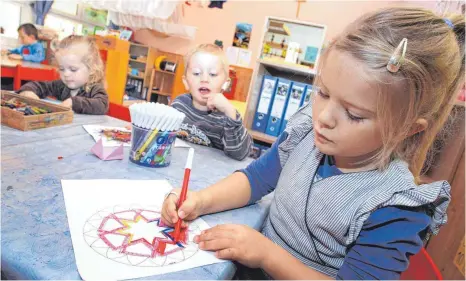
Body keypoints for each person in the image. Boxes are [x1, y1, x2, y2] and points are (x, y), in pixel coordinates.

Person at [161, 7, 464, 279]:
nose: (325, 117)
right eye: (323, 93)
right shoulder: (307, 133)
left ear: (408, 129)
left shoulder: (395, 207)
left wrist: (267, 254)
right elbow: (254, 180)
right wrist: (200, 200)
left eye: (354, 114)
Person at [171, 44, 252, 161]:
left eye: (213, 74)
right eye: (196, 73)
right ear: (186, 82)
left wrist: (230, 111)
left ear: (225, 84)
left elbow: (240, 154)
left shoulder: (229, 117)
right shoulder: (179, 105)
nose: (204, 79)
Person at [18, 35, 109, 115]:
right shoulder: (61, 85)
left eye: (73, 69)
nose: (66, 74)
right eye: (62, 69)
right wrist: (28, 91)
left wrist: (73, 103)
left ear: (91, 69)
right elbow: (39, 85)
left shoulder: (95, 88)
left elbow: (102, 105)